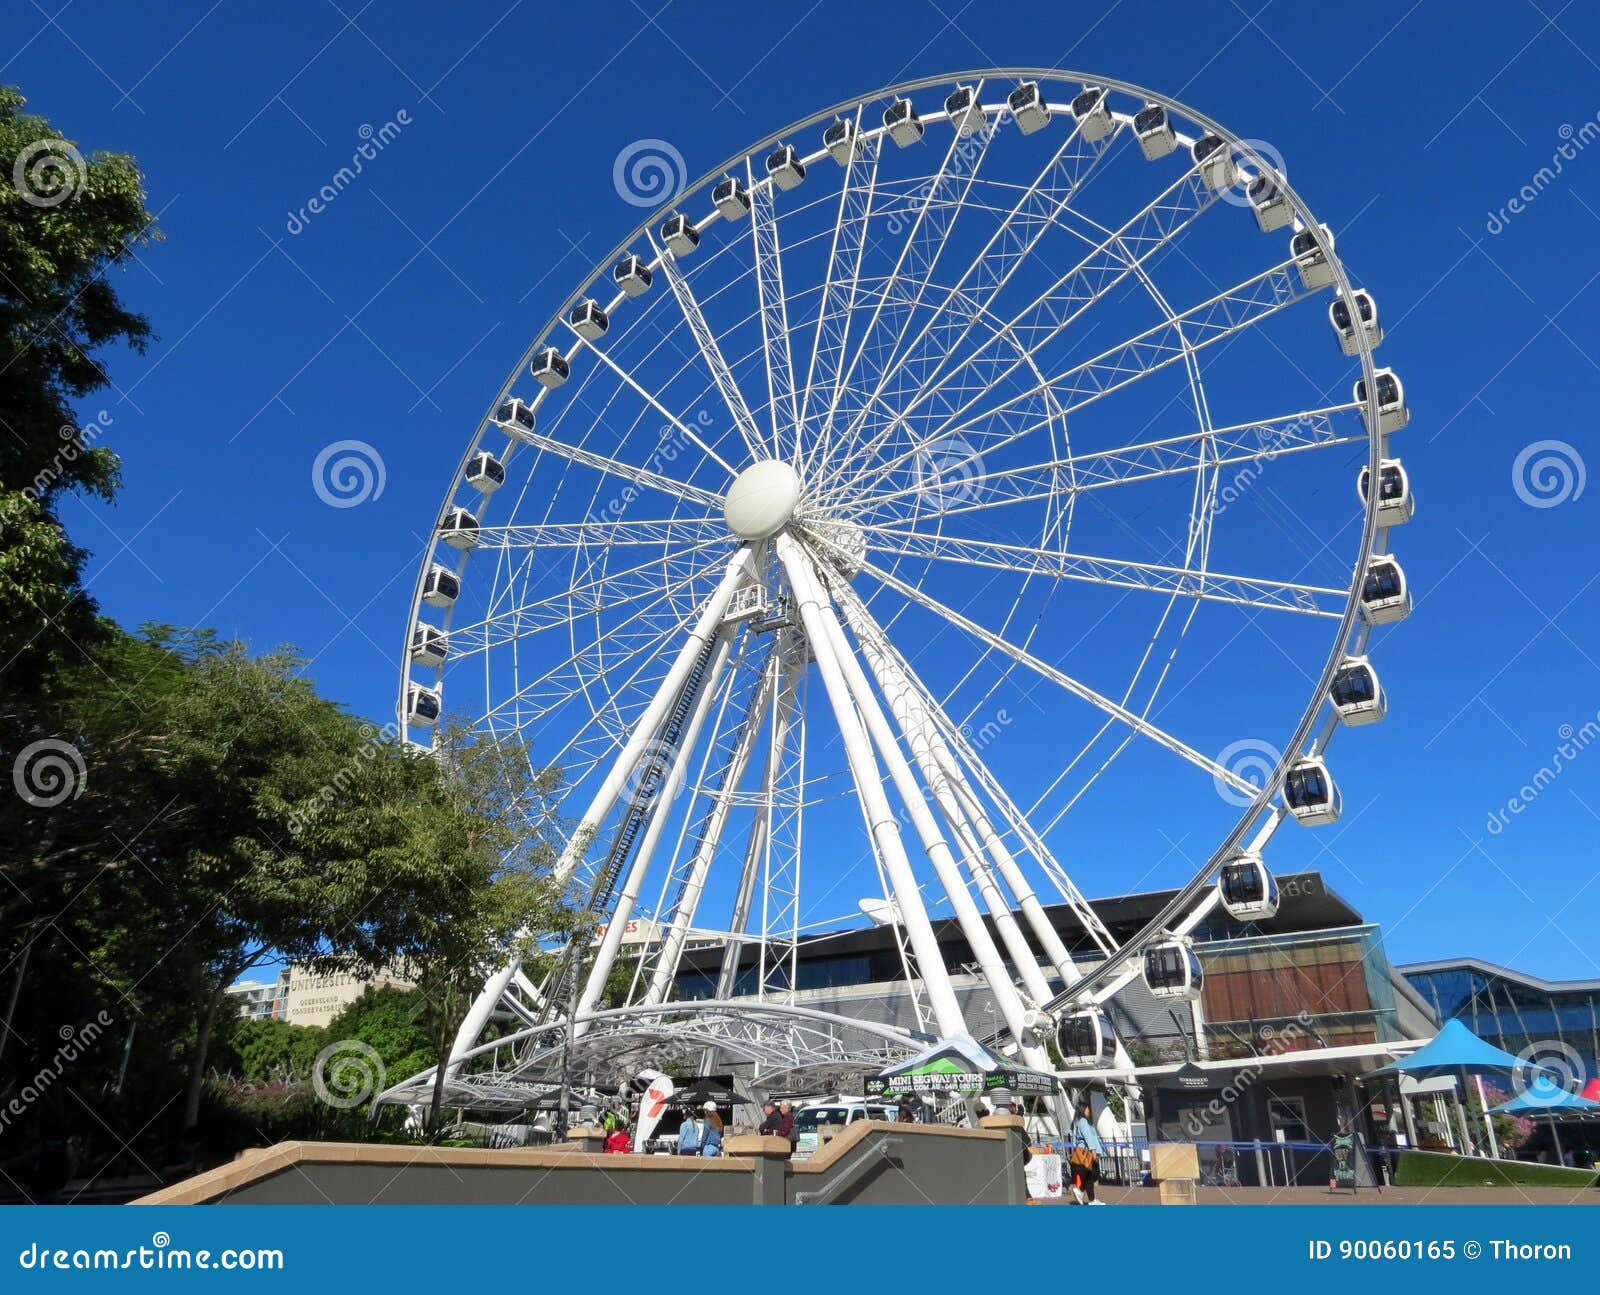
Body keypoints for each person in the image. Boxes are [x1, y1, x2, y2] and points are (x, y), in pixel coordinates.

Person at [1069, 1100, 1105, 1205]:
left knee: (1090, 1176)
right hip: (1086, 1153)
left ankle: (1082, 1193)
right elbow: (1088, 1137)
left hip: (1081, 1152)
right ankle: (1090, 1199)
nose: (1089, 1110)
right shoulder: (1083, 1121)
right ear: (1083, 1109)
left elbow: (1074, 1140)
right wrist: (1093, 1150)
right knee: (1093, 1175)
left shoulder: (1077, 1122)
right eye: (1087, 1108)